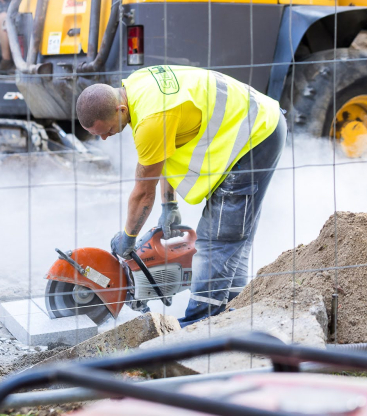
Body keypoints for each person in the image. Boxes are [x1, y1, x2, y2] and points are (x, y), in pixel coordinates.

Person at [76, 65, 287, 326]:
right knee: (235, 239)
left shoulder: (150, 119)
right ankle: (236, 309)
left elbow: (143, 192)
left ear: (120, 110)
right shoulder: (136, 85)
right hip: (260, 122)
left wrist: (128, 238)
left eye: (106, 131)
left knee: (217, 237)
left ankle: (200, 324)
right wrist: (169, 204)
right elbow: (166, 147)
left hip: (257, 134)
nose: (106, 139)